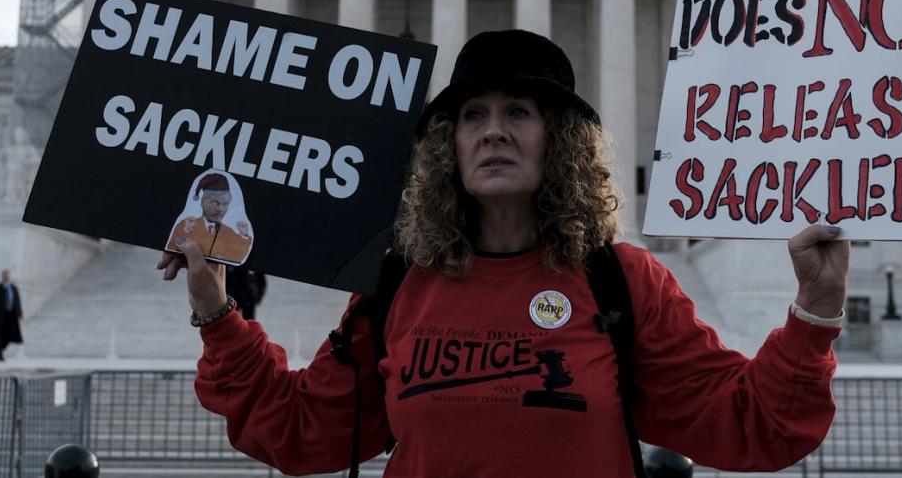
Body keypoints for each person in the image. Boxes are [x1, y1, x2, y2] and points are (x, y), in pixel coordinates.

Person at [158, 30, 850, 477]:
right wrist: (215, 310)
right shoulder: (399, 285)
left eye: (519, 112)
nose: (494, 132)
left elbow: (749, 426)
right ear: (448, 146)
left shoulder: (622, 282)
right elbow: (303, 429)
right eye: (473, 116)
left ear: (561, 143)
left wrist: (815, 312)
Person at [165, 172, 254, 265]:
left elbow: (241, 254)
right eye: (215, 203)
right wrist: (186, 231)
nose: (220, 209)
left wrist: (244, 234)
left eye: (225, 205)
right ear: (202, 202)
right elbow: (172, 246)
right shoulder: (186, 226)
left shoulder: (228, 232)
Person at [0, 270, 23, 361]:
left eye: (7, 275)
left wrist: (20, 313)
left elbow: (17, 302)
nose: (6, 277)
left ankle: (1, 347)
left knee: (10, 333)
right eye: (4, 275)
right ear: (2, 276)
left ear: (10, 276)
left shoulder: (14, 288)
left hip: (11, 315)